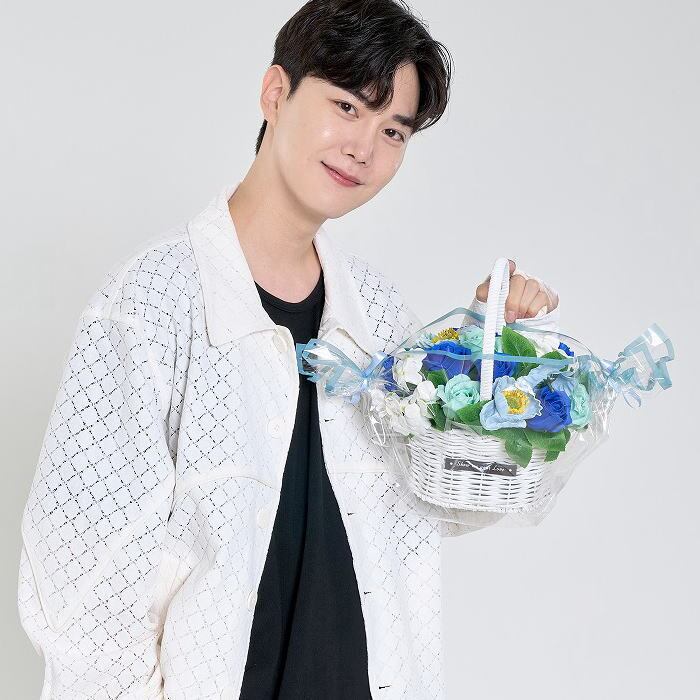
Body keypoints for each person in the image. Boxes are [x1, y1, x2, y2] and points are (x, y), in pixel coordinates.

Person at [17, 1, 561, 698]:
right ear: (276, 92)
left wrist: (495, 358)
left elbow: (448, 498)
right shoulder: (151, 304)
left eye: (393, 130)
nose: (364, 148)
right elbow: (83, 579)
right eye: (347, 106)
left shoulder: (377, 313)